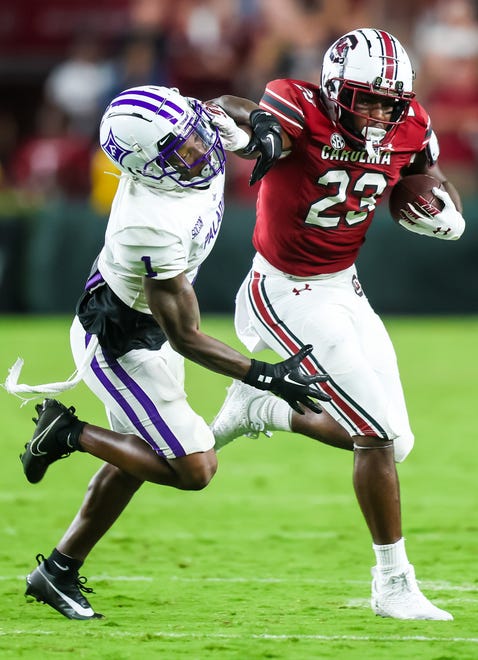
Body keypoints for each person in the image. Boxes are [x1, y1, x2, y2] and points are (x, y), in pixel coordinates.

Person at [7, 85, 337, 620]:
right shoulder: (149, 225)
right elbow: (186, 336)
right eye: (181, 148)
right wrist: (267, 377)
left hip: (148, 330)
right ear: (145, 167)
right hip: (119, 341)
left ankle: (58, 571)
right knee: (193, 467)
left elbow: (223, 106)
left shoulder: (187, 136)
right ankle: (67, 432)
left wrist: (262, 123)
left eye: (192, 134)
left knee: (139, 455)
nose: (200, 150)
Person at [208, 28, 466, 621]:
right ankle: (394, 583)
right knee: (374, 432)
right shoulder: (297, 104)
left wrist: (441, 204)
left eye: (387, 101)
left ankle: (267, 408)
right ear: (332, 88)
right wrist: (255, 133)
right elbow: (239, 109)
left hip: (345, 287)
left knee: (397, 442)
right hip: (283, 290)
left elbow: (424, 172)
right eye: (364, 98)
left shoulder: (412, 123)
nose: (377, 112)